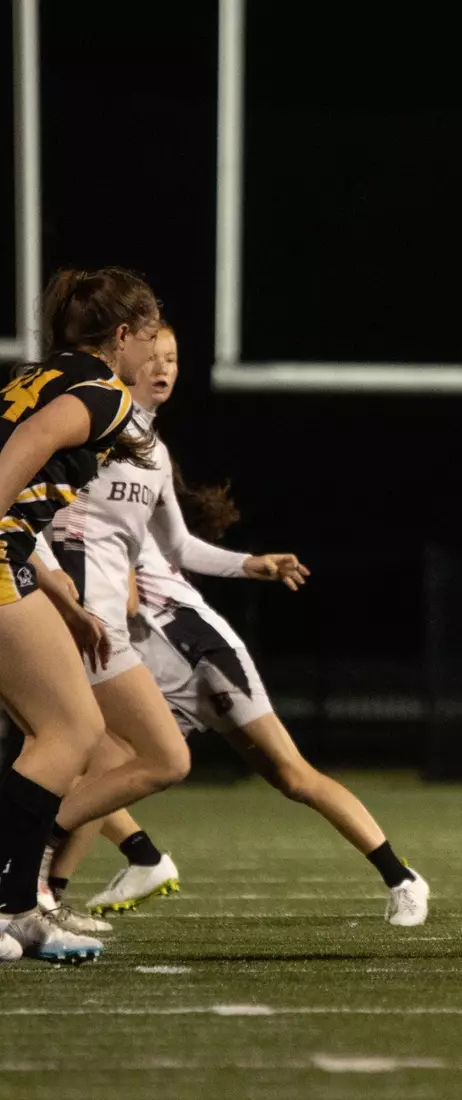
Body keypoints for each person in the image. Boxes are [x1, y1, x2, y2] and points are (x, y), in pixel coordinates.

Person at [38, 323, 430, 926]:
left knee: (292, 776)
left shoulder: (148, 450)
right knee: (98, 761)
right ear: (122, 353)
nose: (164, 366)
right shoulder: (83, 432)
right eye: (155, 354)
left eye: (174, 356)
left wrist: (252, 565)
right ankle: (56, 891)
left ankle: (401, 877)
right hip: (131, 644)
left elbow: (178, 549)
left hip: (194, 643)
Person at [0, 268, 158, 964]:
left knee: (65, 731)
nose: (153, 358)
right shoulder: (104, 393)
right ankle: (9, 906)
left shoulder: (36, 373)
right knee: (70, 731)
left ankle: (21, 909)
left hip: (15, 560)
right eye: (149, 341)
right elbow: (28, 447)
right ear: (122, 336)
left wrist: (60, 594)